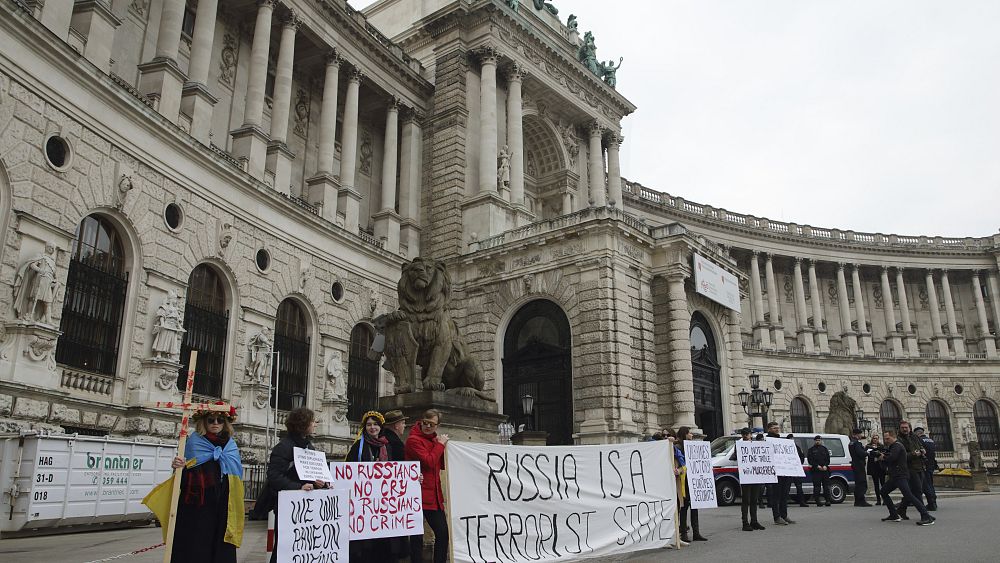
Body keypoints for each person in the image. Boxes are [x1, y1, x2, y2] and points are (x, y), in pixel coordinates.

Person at [143, 403, 244, 563]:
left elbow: (236, 476)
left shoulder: (231, 446)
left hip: (224, 506)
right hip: (197, 507)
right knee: (195, 549)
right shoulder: (193, 443)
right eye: (211, 420)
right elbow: (183, 479)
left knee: (221, 549)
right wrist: (179, 467)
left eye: (220, 420)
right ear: (204, 422)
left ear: (226, 423)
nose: (216, 423)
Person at [266, 407, 330, 563]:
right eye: (313, 421)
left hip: (306, 508)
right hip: (289, 508)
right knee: (284, 549)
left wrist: (321, 483)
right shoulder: (284, 447)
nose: (315, 424)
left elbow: (311, 476)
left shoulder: (309, 447)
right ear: (303, 424)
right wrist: (297, 487)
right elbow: (274, 476)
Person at [347, 411, 394, 560]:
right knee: (366, 543)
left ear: (381, 427)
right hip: (363, 501)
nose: (372, 428)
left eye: (375, 424)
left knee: (381, 542)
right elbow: (348, 470)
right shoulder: (357, 447)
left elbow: (397, 473)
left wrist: (414, 478)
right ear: (364, 427)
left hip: (382, 502)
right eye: (369, 425)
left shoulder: (388, 446)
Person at [406, 409, 449, 563]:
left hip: (433, 495)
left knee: (443, 533)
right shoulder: (413, 440)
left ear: (437, 426)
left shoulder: (434, 441)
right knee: (417, 536)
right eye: (425, 422)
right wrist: (441, 445)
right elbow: (429, 462)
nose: (427, 426)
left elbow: (441, 464)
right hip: (418, 494)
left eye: (431, 424)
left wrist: (442, 447)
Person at [877, 430, 935, 526]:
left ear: (893, 437)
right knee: (883, 491)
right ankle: (893, 514)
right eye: (885, 438)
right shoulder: (893, 446)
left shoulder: (897, 446)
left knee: (909, 495)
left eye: (887, 438)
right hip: (896, 475)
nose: (886, 440)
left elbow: (892, 458)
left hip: (900, 475)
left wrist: (882, 457)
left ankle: (926, 516)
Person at [676, 426, 708, 542]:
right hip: (684, 481)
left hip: (694, 480)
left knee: (695, 507)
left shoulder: (692, 446)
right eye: (689, 433)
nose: (691, 435)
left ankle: (696, 532)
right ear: (684, 434)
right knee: (684, 507)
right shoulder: (678, 447)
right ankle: (684, 533)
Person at [732, 428, 765, 531]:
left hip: (755, 475)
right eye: (744, 434)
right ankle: (745, 522)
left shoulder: (755, 445)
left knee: (754, 499)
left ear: (751, 435)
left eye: (747, 434)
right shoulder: (739, 445)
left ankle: (754, 521)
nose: (746, 436)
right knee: (746, 500)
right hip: (745, 475)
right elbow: (734, 457)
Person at [896, 421, 927, 519]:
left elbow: (921, 446)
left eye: (906, 427)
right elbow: (901, 456)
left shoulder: (915, 437)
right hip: (909, 468)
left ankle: (901, 509)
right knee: (918, 491)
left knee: (912, 491)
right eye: (902, 428)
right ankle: (924, 514)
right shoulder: (899, 440)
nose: (905, 429)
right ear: (900, 429)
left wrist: (922, 450)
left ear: (909, 428)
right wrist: (914, 454)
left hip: (920, 466)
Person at [765, 423, 794, 524]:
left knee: (784, 495)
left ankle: (784, 515)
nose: (777, 429)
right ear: (769, 429)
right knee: (776, 496)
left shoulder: (782, 441)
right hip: (775, 473)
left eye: (778, 428)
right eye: (774, 428)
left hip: (785, 472)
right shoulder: (767, 441)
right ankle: (777, 517)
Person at [914, 427, 939, 511]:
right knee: (930, 483)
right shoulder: (931, 440)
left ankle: (932, 503)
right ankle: (933, 501)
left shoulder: (920, 441)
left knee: (926, 484)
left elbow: (920, 452)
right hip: (931, 464)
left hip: (924, 465)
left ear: (917, 433)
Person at [807, 435, 833, 506]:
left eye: (819, 440)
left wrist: (825, 465)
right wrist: (817, 466)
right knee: (817, 487)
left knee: (826, 486)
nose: (818, 441)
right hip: (816, 471)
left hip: (824, 470)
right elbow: (810, 460)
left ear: (821, 441)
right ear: (814, 441)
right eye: (816, 440)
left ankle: (827, 500)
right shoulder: (811, 450)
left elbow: (828, 459)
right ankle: (817, 501)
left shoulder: (824, 449)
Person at [850, 428, 873, 506]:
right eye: (860, 434)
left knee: (858, 483)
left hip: (855, 464)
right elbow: (860, 453)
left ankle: (857, 501)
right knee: (862, 482)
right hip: (859, 464)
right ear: (856, 434)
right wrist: (867, 453)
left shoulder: (851, 443)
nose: (861, 435)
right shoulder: (857, 443)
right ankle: (861, 500)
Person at [786, 433, 808, 507]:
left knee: (799, 486)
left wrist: (798, 464)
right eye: (790, 439)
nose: (792, 440)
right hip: (789, 470)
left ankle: (802, 501)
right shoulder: (785, 448)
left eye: (792, 439)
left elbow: (801, 456)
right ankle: (785, 502)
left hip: (796, 469)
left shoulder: (797, 448)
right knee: (787, 486)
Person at [867, 434, 887, 505]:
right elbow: (868, 453)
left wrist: (879, 456)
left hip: (880, 467)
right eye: (874, 438)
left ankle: (885, 499)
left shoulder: (881, 446)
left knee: (883, 484)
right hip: (873, 467)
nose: (875, 440)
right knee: (876, 484)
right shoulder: (868, 446)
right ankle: (878, 500)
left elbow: (884, 453)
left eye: (876, 438)